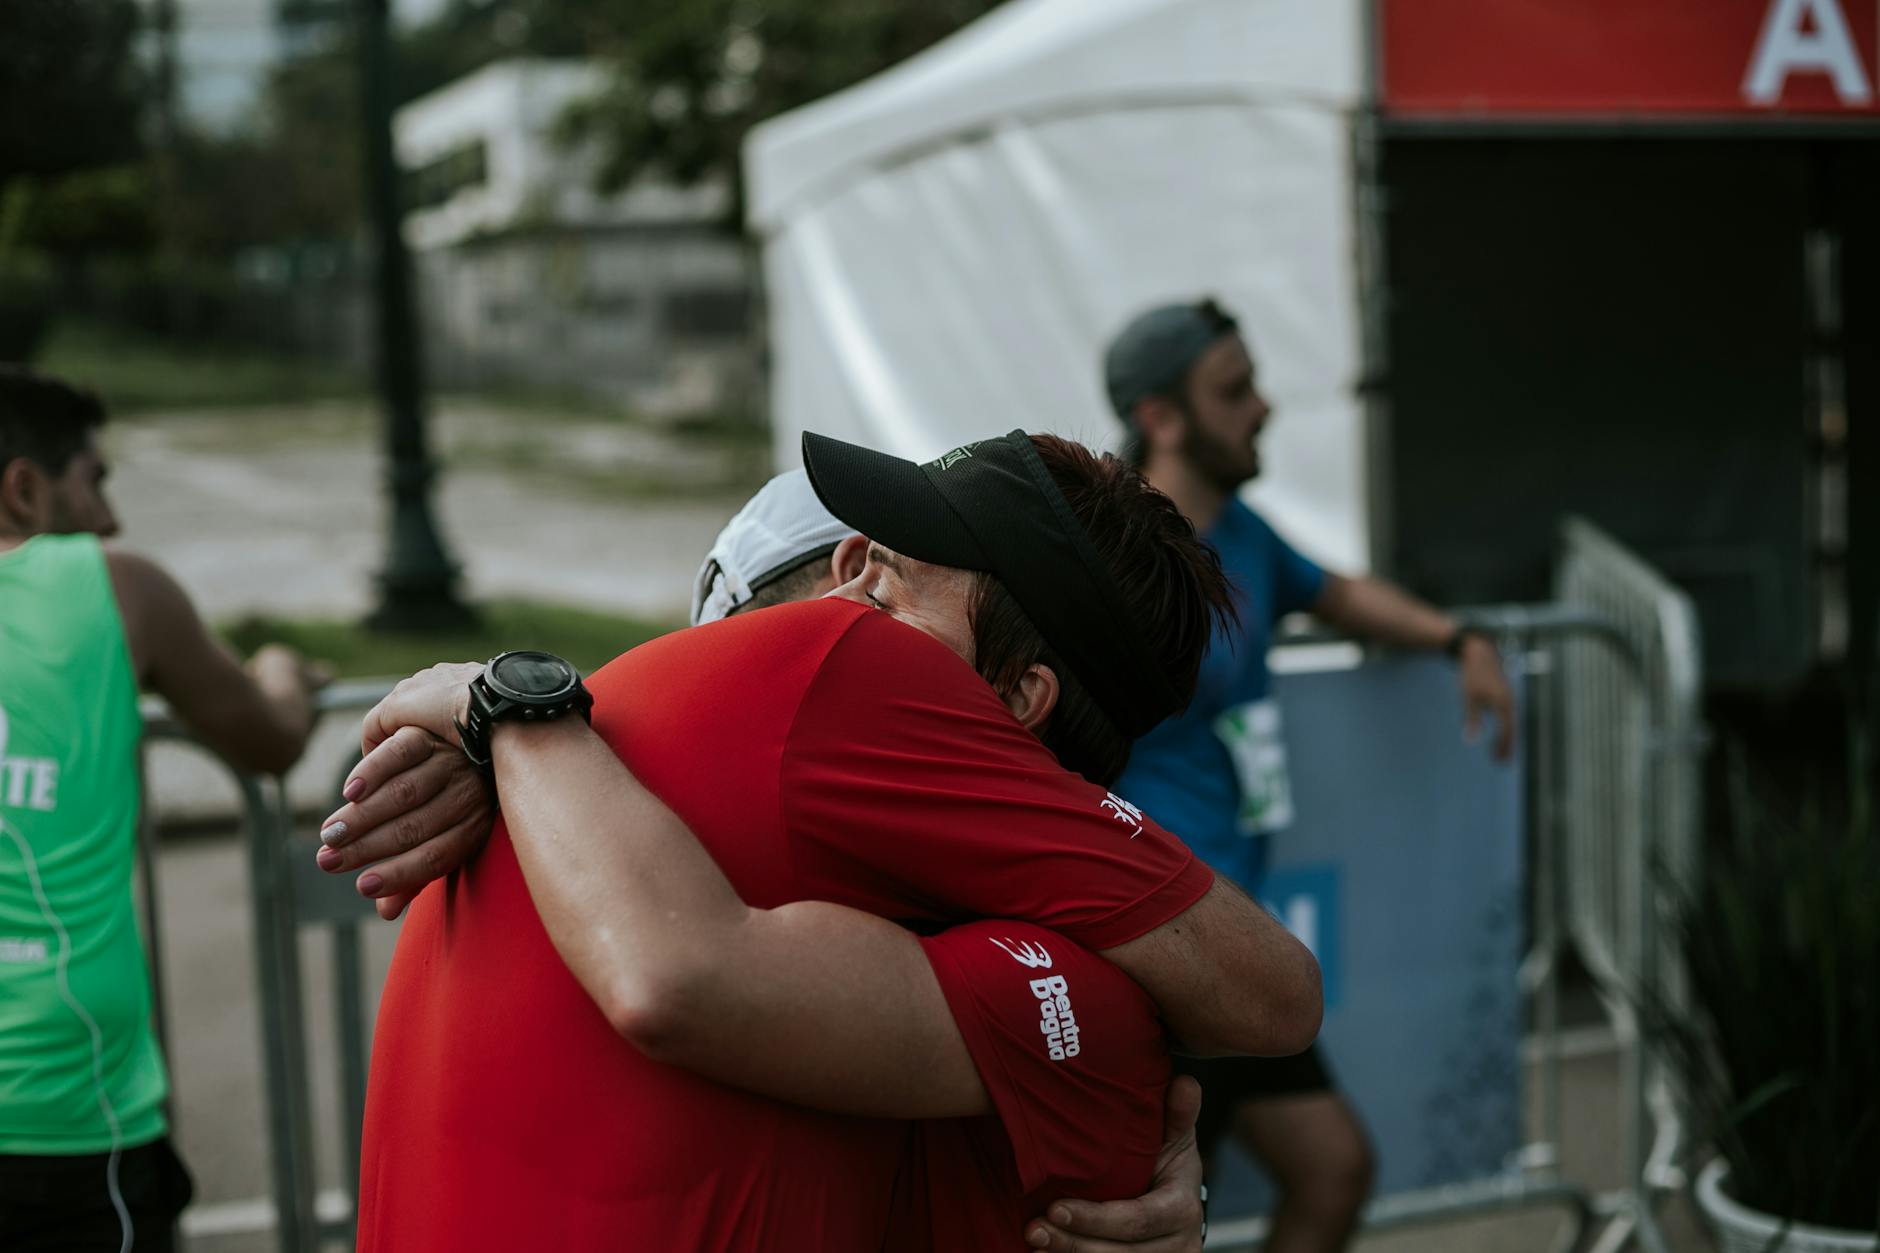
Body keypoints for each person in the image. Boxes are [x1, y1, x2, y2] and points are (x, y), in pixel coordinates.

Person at [316, 431, 1323, 1251]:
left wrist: (508, 710)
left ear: (1022, 701)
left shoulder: (844, 704)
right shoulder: (1026, 958)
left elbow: (1267, 993)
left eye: (887, 597)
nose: (836, 615)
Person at [1101, 299, 1518, 1252]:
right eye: (1233, 390)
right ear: (1160, 417)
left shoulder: (1244, 533)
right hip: (1149, 944)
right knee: (1140, 1223)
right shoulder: (1109, 554)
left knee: (1332, 1170)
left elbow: (1338, 592)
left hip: (1229, 934)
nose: (1263, 407)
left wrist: (1459, 638)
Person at [0, 368, 326, 1252]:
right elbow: (271, 738)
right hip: (58, 1116)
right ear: (24, 488)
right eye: (94, 481)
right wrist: (284, 667)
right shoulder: (113, 585)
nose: (109, 518)